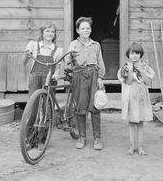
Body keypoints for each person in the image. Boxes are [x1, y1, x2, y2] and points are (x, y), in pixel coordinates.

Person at [66, 17, 105, 150]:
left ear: (91, 29)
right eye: (83, 28)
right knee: (81, 107)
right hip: (79, 76)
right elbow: (67, 60)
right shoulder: (73, 44)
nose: (85, 30)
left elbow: (100, 62)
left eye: (88, 28)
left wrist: (100, 77)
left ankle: (97, 138)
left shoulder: (96, 45)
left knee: (95, 106)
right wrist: (70, 54)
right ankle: (82, 136)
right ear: (78, 30)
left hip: (93, 74)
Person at [117, 43, 155, 155]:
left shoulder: (144, 66)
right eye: (132, 53)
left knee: (140, 123)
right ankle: (132, 146)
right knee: (132, 122)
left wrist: (142, 71)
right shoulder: (125, 67)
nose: (134, 56)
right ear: (128, 55)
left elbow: (147, 82)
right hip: (131, 96)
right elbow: (128, 82)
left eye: (137, 53)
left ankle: (140, 147)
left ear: (141, 55)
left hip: (141, 97)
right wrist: (130, 71)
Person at [22, 22, 63, 97]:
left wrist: (56, 73)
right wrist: (26, 53)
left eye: (52, 32)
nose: (50, 33)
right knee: (33, 102)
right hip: (35, 78)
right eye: (47, 31)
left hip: (49, 79)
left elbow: (57, 67)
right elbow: (23, 62)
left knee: (48, 103)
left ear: (55, 34)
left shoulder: (58, 50)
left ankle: (48, 108)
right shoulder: (33, 45)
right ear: (42, 33)